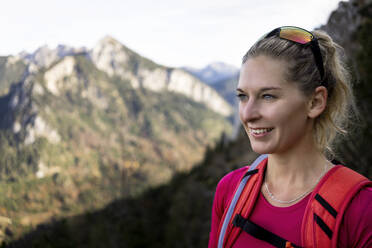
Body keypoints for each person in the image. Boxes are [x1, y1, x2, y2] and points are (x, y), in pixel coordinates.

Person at [208, 26, 372, 248]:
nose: (247, 114)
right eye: (242, 96)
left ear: (315, 102)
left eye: (268, 96)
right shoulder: (231, 191)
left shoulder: (361, 209)